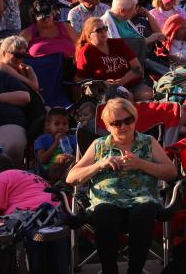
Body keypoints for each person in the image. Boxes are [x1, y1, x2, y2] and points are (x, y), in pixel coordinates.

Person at [65, 97, 178, 274]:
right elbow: (71, 178)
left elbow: (171, 172)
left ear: (135, 119)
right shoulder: (99, 145)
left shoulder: (148, 142)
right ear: (107, 126)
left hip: (142, 200)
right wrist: (100, 164)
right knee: (104, 212)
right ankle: (109, 270)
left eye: (128, 120)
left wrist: (141, 164)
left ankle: (135, 271)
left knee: (145, 210)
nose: (124, 126)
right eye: (116, 123)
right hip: (107, 201)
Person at [75, 16, 151, 101]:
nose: (103, 32)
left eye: (105, 28)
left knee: (146, 95)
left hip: (132, 84)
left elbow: (137, 69)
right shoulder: (86, 52)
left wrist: (121, 81)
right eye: (98, 30)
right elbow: (81, 80)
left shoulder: (118, 43)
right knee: (126, 97)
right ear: (89, 36)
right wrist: (102, 84)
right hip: (106, 90)